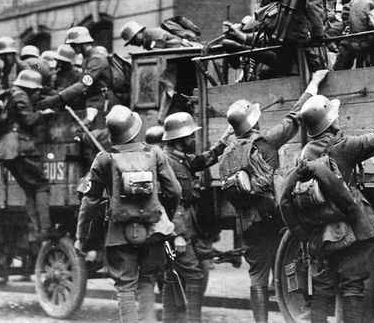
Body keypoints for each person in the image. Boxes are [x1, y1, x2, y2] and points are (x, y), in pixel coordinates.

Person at [286, 88, 374, 322]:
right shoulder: (342, 148)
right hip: (348, 231)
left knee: (322, 289)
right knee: (352, 287)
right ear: (329, 122)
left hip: (319, 235)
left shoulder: (303, 155)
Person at [219, 69, 328, 322]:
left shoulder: (226, 153)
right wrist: (313, 83)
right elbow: (295, 118)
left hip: (246, 222)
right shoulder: (264, 142)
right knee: (290, 265)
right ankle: (298, 313)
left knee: (257, 278)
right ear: (254, 122)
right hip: (273, 217)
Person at [76, 105, 181, 323]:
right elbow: (174, 191)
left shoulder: (104, 159)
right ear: (135, 128)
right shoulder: (155, 153)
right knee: (147, 282)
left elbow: (90, 202)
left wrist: (81, 238)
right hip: (154, 231)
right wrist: (164, 218)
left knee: (125, 287)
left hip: (119, 234)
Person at [161, 111, 229, 323]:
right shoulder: (166, 162)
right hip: (176, 229)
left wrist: (225, 139)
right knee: (194, 275)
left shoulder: (179, 158)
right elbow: (169, 202)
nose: (192, 139)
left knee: (173, 277)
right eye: (189, 136)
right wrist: (178, 235)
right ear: (179, 139)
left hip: (187, 226)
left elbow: (203, 159)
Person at [0, 69, 56, 243]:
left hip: (6, 149)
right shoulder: (21, 96)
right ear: (31, 89)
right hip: (18, 145)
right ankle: (46, 228)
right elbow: (27, 120)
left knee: (29, 188)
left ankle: (37, 230)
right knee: (41, 185)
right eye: (37, 92)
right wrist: (43, 114)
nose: (38, 95)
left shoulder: (10, 95)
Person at [38, 26, 119, 126]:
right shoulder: (87, 58)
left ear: (82, 44)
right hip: (94, 101)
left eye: (73, 45)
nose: (72, 47)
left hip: (103, 102)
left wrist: (57, 98)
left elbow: (83, 84)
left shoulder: (97, 59)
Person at [121, 21, 195, 51]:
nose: (132, 44)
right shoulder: (148, 40)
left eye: (132, 41)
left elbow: (156, 52)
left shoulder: (155, 34)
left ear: (138, 35)